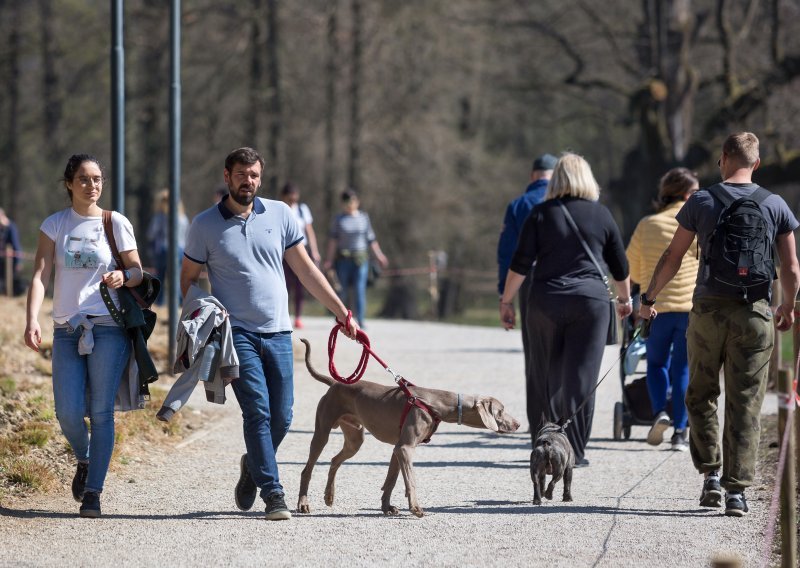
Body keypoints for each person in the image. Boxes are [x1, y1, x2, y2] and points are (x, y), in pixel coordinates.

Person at [181, 147, 358, 521]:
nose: (249, 181)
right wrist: (206, 315)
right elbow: (188, 281)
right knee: (258, 412)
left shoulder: (280, 213)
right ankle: (274, 493)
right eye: (242, 174)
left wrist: (342, 313)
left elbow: (307, 270)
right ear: (227, 176)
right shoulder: (204, 225)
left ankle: (253, 464)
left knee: (283, 416)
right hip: (236, 334)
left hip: (278, 333)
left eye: (255, 175)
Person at [638, 132, 800, 517]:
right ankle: (737, 492)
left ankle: (710, 475)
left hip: (708, 310)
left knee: (700, 393)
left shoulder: (702, 200)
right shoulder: (775, 204)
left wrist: (648, 299)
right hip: (756, 312)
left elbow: (673, 256)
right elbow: (791, 267)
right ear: (756, 163)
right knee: (746, 402)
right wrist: (789, 307)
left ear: (723, 158)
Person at [23, 154, 145, 518]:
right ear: (69, 184)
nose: (91, 185)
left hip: (109, 327)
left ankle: (93, 492)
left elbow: (138, 270)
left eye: (96, 179)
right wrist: (32, 319)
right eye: (83, 179)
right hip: (66, 329)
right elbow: (40, 276)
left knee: (101, 411)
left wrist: (126, 276)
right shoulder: (55, 224)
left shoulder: (115, 222)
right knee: (68, 412)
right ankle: (85, 457)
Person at [499, 153, 632, 467]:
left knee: (544, 376)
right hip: (591, 304)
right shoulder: (602, 215)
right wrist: (625, 300)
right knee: (581, 379)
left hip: (545, 301)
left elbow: (519, 263)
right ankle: (574, 452)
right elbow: (620, 266)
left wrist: (507, 301)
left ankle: (543, 445)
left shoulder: (541, 214)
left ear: (556, 179)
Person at [626, 168, 700, 451]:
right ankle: (680, 433)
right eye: (695, 192)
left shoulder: (647, 224)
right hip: (690, 308)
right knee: (682, 368)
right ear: (685, 194)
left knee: (656, 363)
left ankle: (660, 412)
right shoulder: (697, 222)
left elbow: (631, 267)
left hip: (654, 308)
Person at [496, 153, 557, 427]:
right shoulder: (569, 201)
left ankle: (540, 419)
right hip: (568, 278)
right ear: (554, 176)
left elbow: (507, 252)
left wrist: (504, 296)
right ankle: (563, 419)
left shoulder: (519, 205)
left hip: (529, 280)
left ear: (533, 175)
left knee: (535, 353)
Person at [323, 189, 388, 327]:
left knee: (359, 290)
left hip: (361, 260)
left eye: (352, 201)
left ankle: (361, 320)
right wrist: (328, 260)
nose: (349, 204)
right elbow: (333, 241)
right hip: (343, 261)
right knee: (343, 291)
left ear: (357, 202)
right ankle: (341, 320)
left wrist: (380, 256)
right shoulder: (338, 219)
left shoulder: (364, 218)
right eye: (346, 202)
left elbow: (371, 239)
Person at [279, 182, 321, 329]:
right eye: (290, 196)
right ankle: (284, 315)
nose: (293, 199)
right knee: (284, 285)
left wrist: (314, 251)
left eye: (295, 196)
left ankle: (297, 317)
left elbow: (309, 230)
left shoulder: (303, 210)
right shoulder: (280, 210)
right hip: (284, 252)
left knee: (299, 286)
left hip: (302, 250)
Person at [146, 189, 189, 305]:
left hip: (163, 249)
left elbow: (151, 233)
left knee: (160, 276)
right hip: (180, 249)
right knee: (177, 277)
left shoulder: (160, 217)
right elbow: (186, 235)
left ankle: (160, 302)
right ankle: (179, 302)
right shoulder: (183, 217)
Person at [0, 207, 24, 296]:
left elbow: (16, 246)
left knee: (11, 280)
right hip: (2, 260)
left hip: (11, 261)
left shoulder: (11, 228)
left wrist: (18, 262)